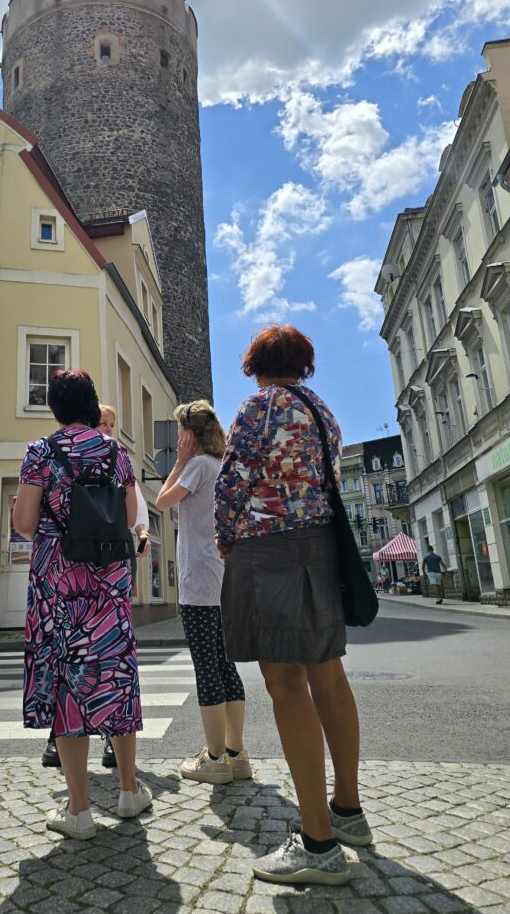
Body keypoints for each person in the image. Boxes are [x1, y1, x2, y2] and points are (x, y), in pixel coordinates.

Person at [215, 325, 371, 887]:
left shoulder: (259, 406)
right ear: (302, 364)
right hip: (320, 547)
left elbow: (232, 482)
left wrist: (226, 538)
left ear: (255, 363)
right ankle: (347, 811)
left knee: (284, 684)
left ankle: (318, 844)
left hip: (269, 546)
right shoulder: (322, 410)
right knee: (328, 675)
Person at [13, 370, 152, 840]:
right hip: (108, 575)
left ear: (54, 406)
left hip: (59, 578)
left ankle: (78, 809)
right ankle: (130, 790)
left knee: (65, 677)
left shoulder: (40, 452)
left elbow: (26, 523)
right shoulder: (116, 450)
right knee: (114, 669)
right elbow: (132, 516)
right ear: (93, 404)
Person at [41, 402, 150, 772]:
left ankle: (108, 739)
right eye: (101, 422)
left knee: (107, 655)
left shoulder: (118, 460)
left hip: (109, 565)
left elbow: (137, 516)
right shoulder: (88, 456)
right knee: (75, 653)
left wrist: (142, 534)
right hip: (80, 569)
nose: (105, 429)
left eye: (111, 424)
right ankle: (60, 739)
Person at [155, 400, 250, 785]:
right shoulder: (220, 466)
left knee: (206, 669)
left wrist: (178, 462)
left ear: (190, 435)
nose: (178, 438)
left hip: (198, 585)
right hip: (224, 582)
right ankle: (236, 752)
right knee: (227, 666)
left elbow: (162, 501)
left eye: (181, 431)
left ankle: (213, 759)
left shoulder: (195, 466)